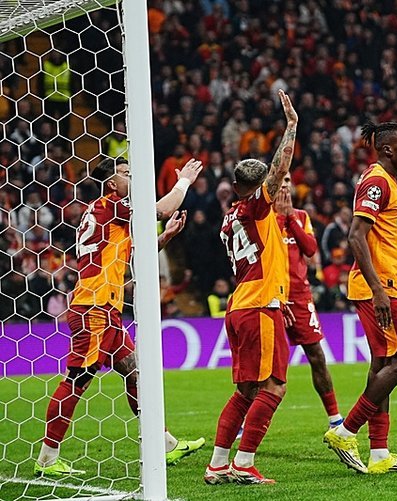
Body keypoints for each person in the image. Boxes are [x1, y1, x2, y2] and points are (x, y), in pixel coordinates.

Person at [35, 156, 205, 477]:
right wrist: (184, 181)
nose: (133, 177)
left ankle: (164, 444)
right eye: (127, 173)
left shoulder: (109, 216)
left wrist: (165, 238)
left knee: (135, 372)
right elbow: (160, 210)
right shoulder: (112, 204)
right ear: (112, 183)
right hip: (94, 308)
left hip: (107, 310)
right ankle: (47, 457)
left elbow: (132, 258)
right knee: (77, 380)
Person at [323, 121, 397, 474]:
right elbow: (356, 236)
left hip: (387, 284)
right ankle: (346, 431)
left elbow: (379, 230)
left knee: (383, 365)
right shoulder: (376, 181)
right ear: (388, 149)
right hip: (380, 287)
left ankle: (379, 453)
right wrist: (377, 291)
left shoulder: (388, 182)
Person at [204, 90, 297, 486]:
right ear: (259, 189)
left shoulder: (230, 218)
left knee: (245, 390)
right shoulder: (257, 207)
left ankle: (217, 465)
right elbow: (277, 170)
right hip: (259, 305)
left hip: (242, 304)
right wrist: (291, 126)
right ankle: (244, 463)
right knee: (273, 387)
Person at [273, 173, 343, 428]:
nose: (285, 185)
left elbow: (311, 249)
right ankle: (245, 421)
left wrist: (290, 217)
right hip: (271, 295)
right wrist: (280, 216)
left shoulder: (301, 217)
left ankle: (334, 419)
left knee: (316, 355)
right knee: (265, 363)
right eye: (280, 180)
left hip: (300, 297)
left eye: (288, 180)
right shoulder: (264, 216)